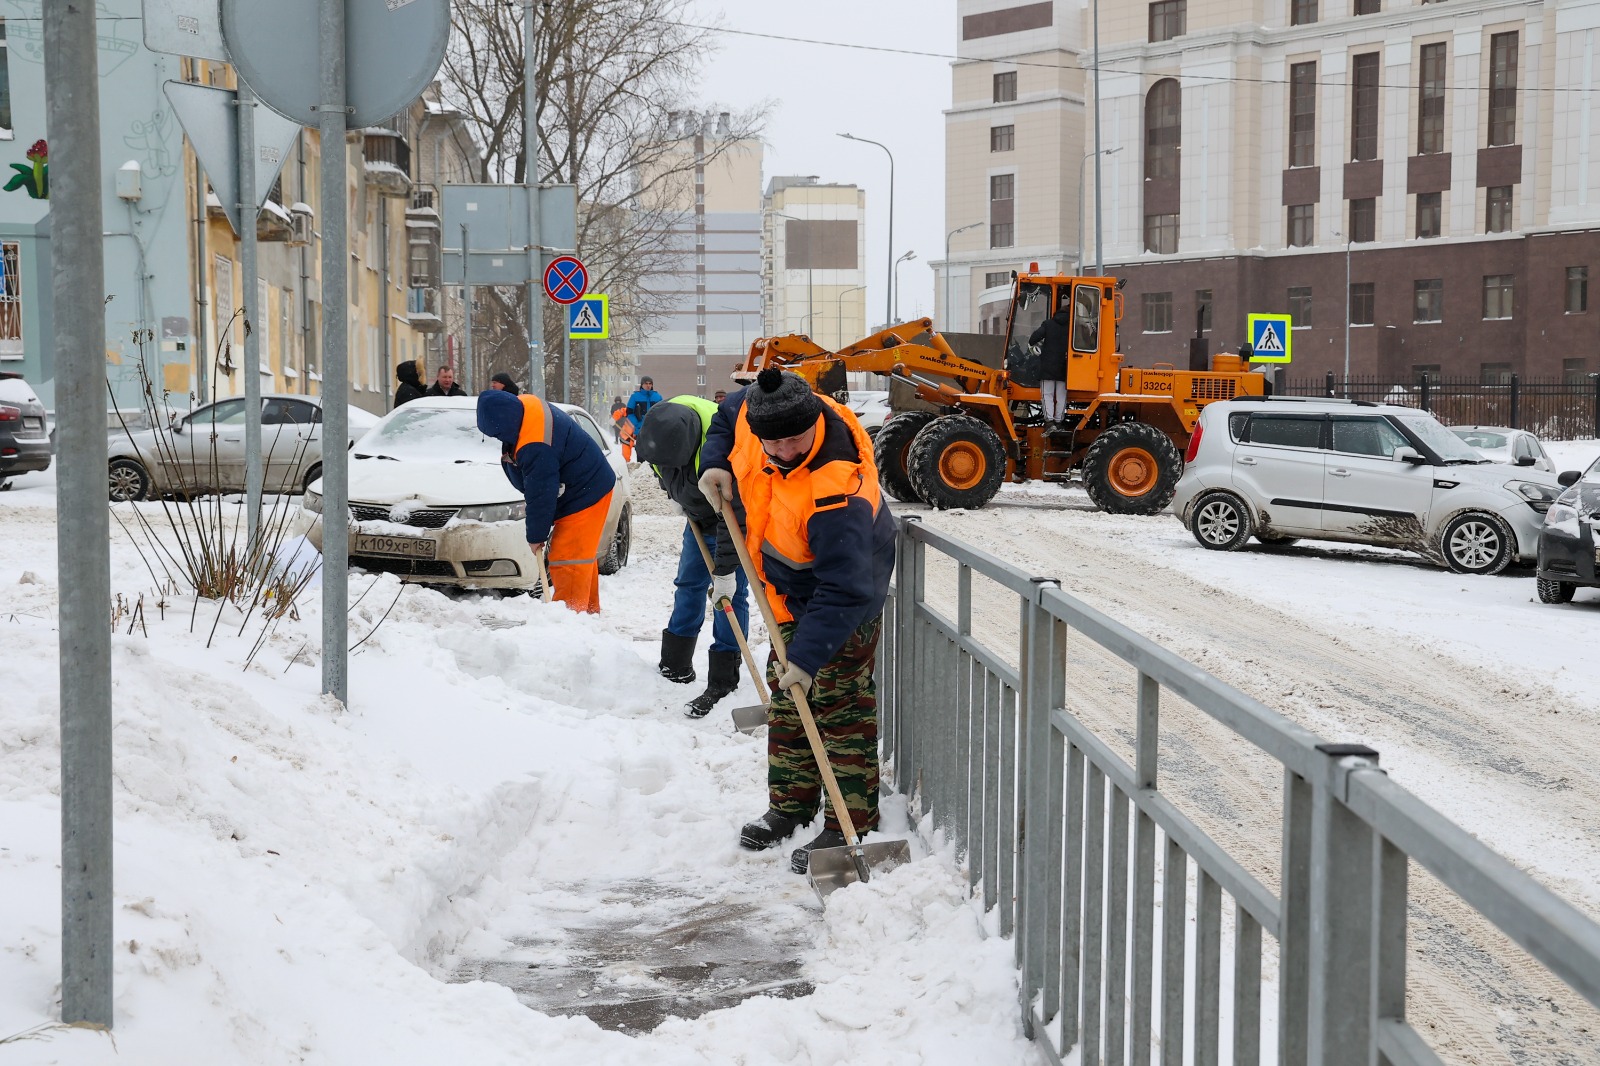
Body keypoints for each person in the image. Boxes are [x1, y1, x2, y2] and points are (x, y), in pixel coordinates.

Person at [697, 369, 897, 875]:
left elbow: (846, 588)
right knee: (788, 701)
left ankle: (850, 821)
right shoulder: (759, 412)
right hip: (790, 589)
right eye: (774, 442)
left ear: (812, 426)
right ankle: (790, 806)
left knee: (838, 706)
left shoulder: (837, 490)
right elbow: (727, 415)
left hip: (845, 598)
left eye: (794, 440)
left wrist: (807, 658)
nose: (784, 449)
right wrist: (716, 463)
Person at [634, 396, 752, 717]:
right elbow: (657, 465)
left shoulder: (725, 449)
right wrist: (671, 493)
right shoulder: (660, 429)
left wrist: (725, 571)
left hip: (730, 519)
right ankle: (675, 663)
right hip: (697, 516)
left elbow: (735, 516)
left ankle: (724, 677)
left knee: (729, 595)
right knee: (688, 583)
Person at [477, 389, 616, 613]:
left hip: (586, 492)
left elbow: (541, 492)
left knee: (568, 558)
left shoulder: (536, 444)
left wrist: (536, 536)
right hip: (585, 484)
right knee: (580, 556)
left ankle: (570, 620)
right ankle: (588, 617)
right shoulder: (525, 407)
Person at [1029, 300, 1072, 426]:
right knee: (1061, 396)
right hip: (1064, 367)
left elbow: (1033, 339)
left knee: (1047, 394)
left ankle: (1049, 422)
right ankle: (1058, 421)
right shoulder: (1072, 327)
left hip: (1047, 366)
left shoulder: (1048, 324)